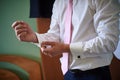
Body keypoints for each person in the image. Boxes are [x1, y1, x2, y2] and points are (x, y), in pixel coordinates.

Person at [12, 0, 120, 80]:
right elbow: (55, 35)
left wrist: (66, 48)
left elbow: (108, 42)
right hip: (67, 74)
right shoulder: (59, 3)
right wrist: (34, 37)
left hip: (95, 74)